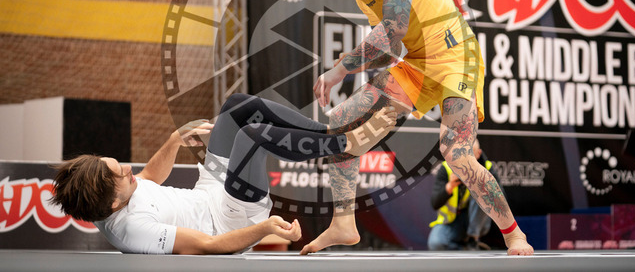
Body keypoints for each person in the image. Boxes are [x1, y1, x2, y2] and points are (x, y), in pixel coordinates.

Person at [301, 0, 533, 255]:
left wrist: (341, 71)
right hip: (418, 63)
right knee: (341, 120)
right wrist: (351, 64)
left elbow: (393, 28)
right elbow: (390, 49)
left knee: (456, 153)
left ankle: (514, 235)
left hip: (457, 55)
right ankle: (343, 224)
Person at [50, 93, 397, 255]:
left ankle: (332, 137)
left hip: (210, 191)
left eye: (118, 165)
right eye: (122, 175)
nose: (129, 170)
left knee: (236, 107)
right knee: (252, 136)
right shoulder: (132, 231)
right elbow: (209, 246)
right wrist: (264, 229)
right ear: (113, 204)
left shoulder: (111, 195)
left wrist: (173, 141)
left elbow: (149, 179)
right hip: (229, 221)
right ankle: (346, 145)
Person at [428, 139, 497, 250]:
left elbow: (501, 199)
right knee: (436, 243)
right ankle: (465, 248)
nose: (466, 163)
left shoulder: (487, 167)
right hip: (453, 221)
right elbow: (435, 203)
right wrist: (450, 185)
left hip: (478, 222)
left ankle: (473, 239)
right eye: (462, 157)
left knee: (484, 191)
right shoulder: (447, 168)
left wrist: (478, 180)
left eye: (470, 157)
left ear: (478, 154)